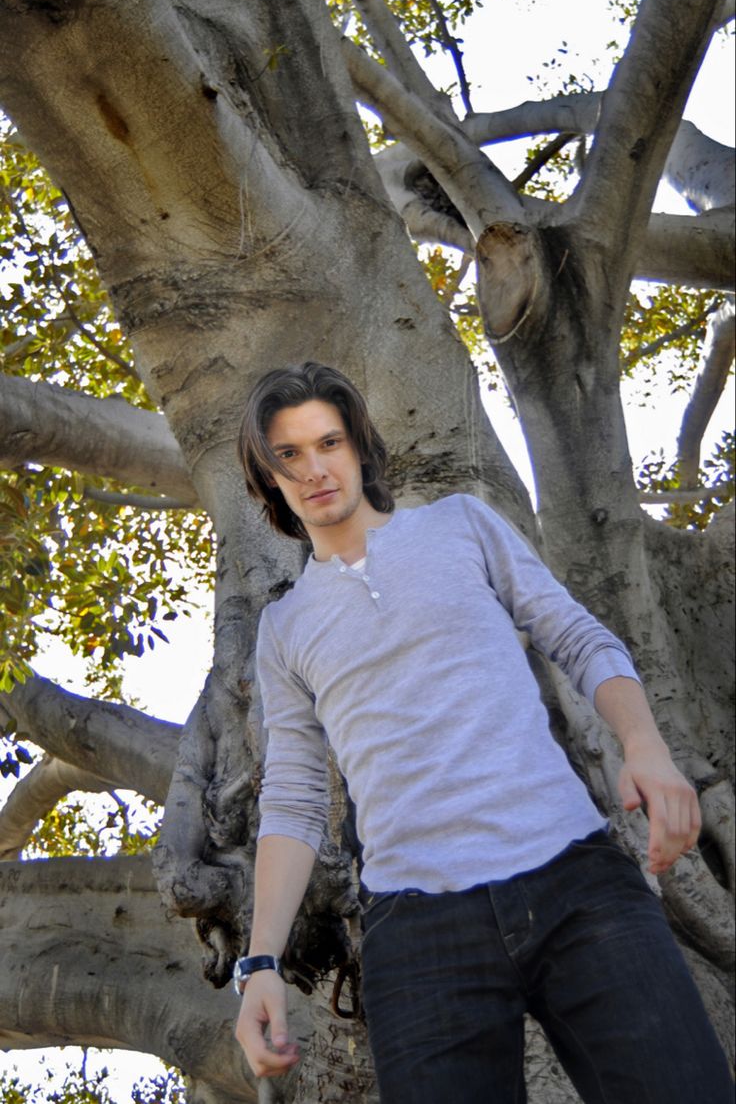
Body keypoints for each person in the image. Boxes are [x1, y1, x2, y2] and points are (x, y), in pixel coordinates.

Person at [233, 361, 732, 1102]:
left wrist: (646, 746)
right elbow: (296, 799)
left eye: (328, 442)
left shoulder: (461, 524)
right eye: (290, 456)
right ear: (268, 479)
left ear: (360, 448)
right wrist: (261, 963)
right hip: (418, 931)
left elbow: (579, 636)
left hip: (576, 879)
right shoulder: (284, 628)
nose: (314, 469)